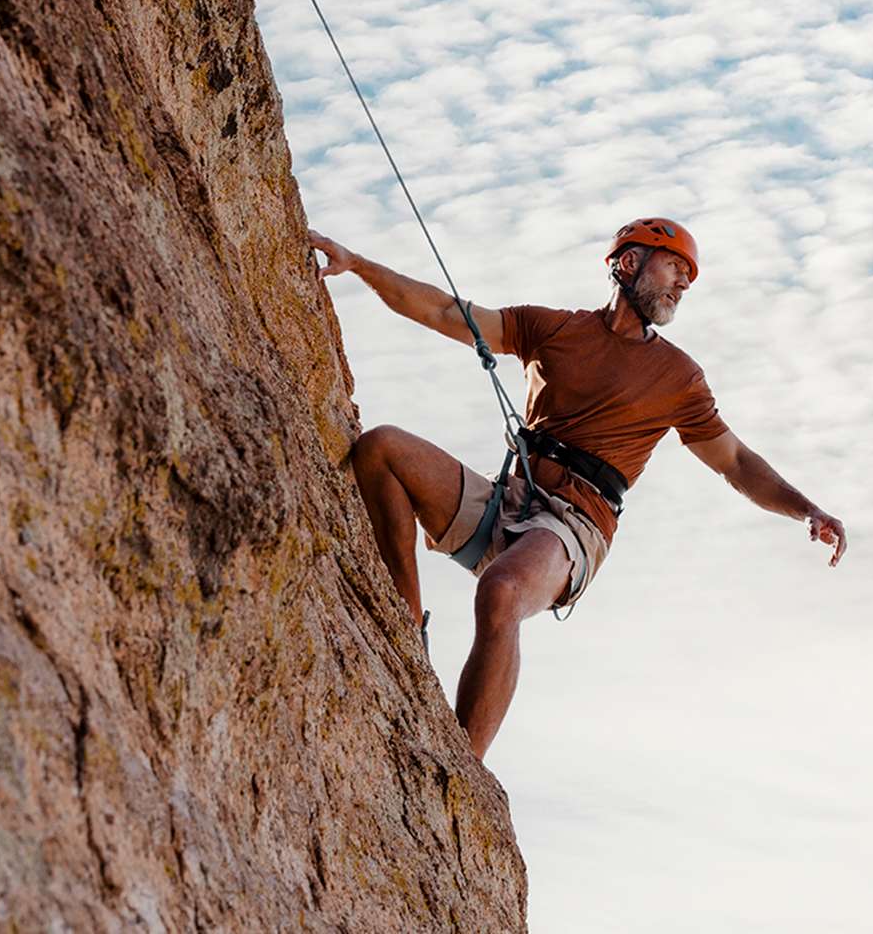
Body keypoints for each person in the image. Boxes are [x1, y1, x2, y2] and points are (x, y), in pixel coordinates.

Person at [308, 218, 845, 759]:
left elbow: (735, 461)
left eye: (689, 276)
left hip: (573, 525)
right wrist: (360, 265)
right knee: (381, 449)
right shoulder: (552, 329)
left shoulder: (678, 378)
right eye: (674, 267)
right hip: (509, 500)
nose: (684, 284)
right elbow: (449, 313)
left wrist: (806, 510)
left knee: (502, 590)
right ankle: (402, 635)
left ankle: (461, 768)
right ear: (628, 263)